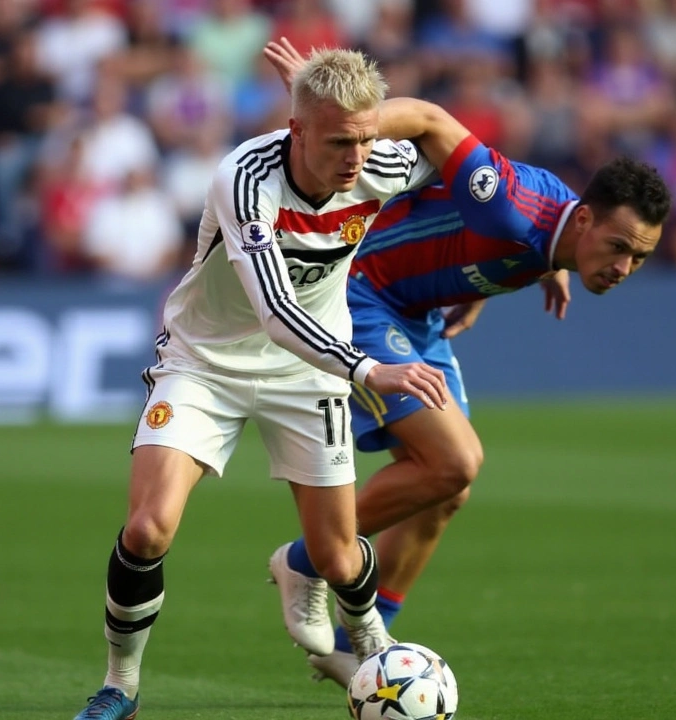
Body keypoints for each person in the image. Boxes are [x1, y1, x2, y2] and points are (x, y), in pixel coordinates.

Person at [261, 38, 672, 687]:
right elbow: (427, 120)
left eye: (638, 258)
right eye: (617, 247)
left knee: (448, 492)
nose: (623, 267)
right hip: (364, 294)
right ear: (587, 219)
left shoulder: (563, 237)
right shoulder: (507, 205)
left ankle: (354, 648)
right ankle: (308, 559)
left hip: (418, 315)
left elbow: (537, 240)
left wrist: (551, 270)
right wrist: (345, 126)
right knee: (454, 460)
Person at [72, 47, 468, 720]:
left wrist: (538, 254)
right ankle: (120, 686)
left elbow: (472, 171)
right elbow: (277, 311)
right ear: (297, 130)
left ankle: (373, 647)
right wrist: (371, 370)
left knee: (339, 558)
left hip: (307, 374)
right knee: (147, 529)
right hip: (206, 362)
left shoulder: (380, 162)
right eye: (340, 141)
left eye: (365, 138)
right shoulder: (244, 177)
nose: (356, 158)